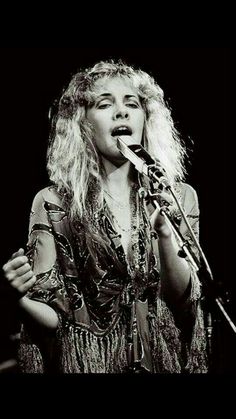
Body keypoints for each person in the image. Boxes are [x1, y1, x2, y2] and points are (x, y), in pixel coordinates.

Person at [2, 59, 208, 373]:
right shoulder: (53, 203)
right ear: (82, 123)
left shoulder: (179, 197)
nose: (122, 111)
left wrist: (165, 233)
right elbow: (55, 319)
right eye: (104, 103)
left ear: (145, 118)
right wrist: (15, 296)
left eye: (132, 103)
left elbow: (182, 300)